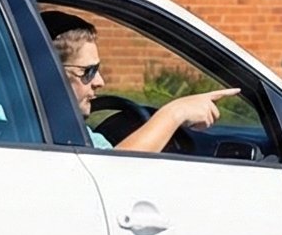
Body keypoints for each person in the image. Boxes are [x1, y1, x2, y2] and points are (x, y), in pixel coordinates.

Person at [41, 9, 237, 154]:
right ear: (52, 74)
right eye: (88, 71)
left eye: (97, 70)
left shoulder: (39, 128)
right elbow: (114, 172)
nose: (99, 81)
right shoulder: (52, 136)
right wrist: (175, 113)